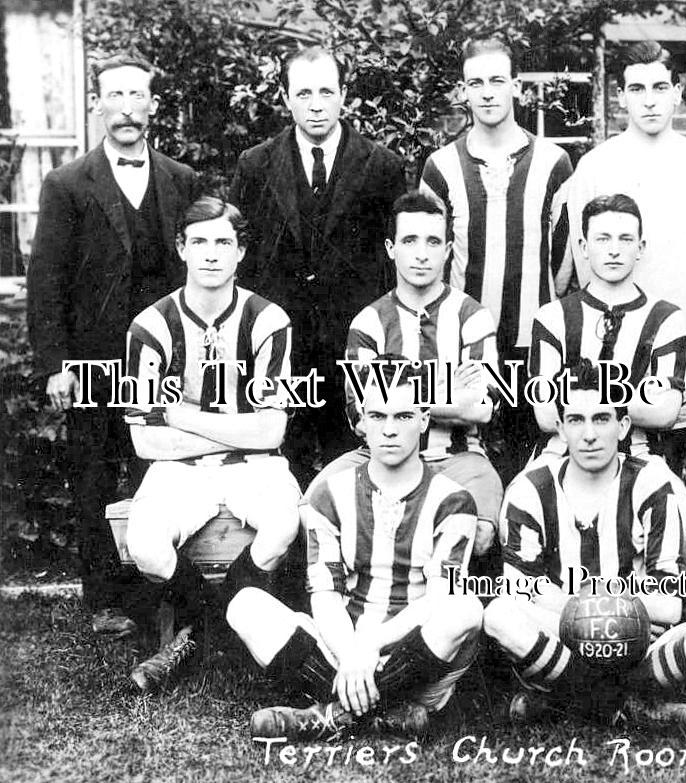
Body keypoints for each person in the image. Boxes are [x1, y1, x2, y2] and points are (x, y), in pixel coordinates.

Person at [25, 51, 200, 637]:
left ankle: (170, 597)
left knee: (167, 471)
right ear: (98, 105)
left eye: (137, 96)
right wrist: (55, 365)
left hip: (167, 361)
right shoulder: (67, 184)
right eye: (115, 97)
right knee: (96, 476)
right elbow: (45, 280)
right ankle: (104, 599)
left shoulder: (182, 181)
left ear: (153, 105)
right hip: (92, 361)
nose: (127, 109)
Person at [233, 363, 483, 740]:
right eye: (377, 415)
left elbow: (438, 600)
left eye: (403, 415)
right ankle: (386, 713)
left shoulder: (454, 500)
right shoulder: (328, 494)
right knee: (245, 605)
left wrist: (371, 645)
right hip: (343, 653)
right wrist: (352, 653)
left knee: (465, 610)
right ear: (361, 422)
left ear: (424, 419)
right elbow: (326, 596)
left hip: (417, 656)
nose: (389, 429)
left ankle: (328, 716)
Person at [483, 362, 686, 735]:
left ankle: (573, 699)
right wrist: (595, 620)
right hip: (566, 634)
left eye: (601, 419)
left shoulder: (652, 483)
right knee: (499, 615)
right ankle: (630, 703)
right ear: (560, 426)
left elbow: (668, 601)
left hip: (638, 640)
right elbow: (521, 592)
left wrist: (608, 619)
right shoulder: (529, 489)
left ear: (624, 426)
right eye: (577, 420)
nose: (589, 435)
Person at [122, 197, 301, 692]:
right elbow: (144, 439)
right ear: (181, 248)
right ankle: (214, 626)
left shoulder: (268, 320)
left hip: (254, 465)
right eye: (198, 241)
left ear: (241, 251)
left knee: (286, 522)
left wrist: (181, 414)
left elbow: (272, 432)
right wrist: (222, 427)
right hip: (181, 469)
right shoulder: (150, 326)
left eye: (224, 242)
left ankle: (199, 631)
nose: (211, 254)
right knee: (146, 546)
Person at [230, 45, 407, 484]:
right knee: (273, 470)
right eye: (303, 92)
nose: (315, 104)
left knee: (352, 472)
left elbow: (394, 264)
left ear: (343, 95)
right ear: (286, 98)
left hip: (351, 348)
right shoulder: (254, 165)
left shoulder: (382, 167)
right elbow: (242, 258)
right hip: (278, 349)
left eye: (326, 91)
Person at [562, 41, 686, 469]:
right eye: (637, 89)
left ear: (677, 91)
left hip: (680, 334)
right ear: (620, 97)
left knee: (674, 462)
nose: (650, 100)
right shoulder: (596, 166)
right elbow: (586, 263)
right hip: (612, 336)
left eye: (660, 87)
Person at [419, 37, 573, 480]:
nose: (487, 92)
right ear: (463, 91)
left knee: (529, 457)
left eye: (497, 81)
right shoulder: (441, 166)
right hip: (465, 343)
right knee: (466, 459)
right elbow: (434, 252)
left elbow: (561, 260)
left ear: (516, 87)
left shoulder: (553, 161)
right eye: (476, 82)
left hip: (532, 341)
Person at [320, 190, 501, 555]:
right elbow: (360, 415)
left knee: (479, 533)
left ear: (448, 249)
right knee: (312, 509)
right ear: (391, 248)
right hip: (377, 457)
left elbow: (482, 407)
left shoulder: (472, 316)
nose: (422, 253)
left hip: (458, 457)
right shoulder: (369, 322)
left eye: (433, 242)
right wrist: (448, 390)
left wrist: (396, 393)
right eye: (409, 240)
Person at [529, 194, 686, 468]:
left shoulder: (666, 317)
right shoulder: (552, 316)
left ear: (640, 247)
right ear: (584, 246)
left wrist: (578, 394)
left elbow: (665, 412)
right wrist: (629, 398)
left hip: (638, 455)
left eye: (625, 239)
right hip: (561, 453)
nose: (614, 250)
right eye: (603, 239)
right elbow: (545, 415)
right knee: (524, 497)